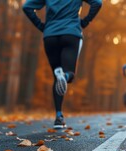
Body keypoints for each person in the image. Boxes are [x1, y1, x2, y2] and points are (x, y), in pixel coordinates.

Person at [23, 0, 102, 128]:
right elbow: (97, 3)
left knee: (56, 76)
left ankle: (59, 115)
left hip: (50, 36)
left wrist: (41, 26)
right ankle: (64, 77)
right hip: (71, 33)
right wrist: (85, 21)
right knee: (69, 74)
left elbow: (27, 6)